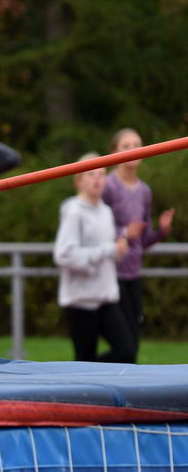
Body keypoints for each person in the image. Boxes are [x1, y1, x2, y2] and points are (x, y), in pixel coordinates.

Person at [53, 153, 135, 363]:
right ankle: (82, 386)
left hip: (106, 296)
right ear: (79, 181)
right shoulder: (73, 210)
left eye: (101, 174)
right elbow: (64, 255)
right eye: (91, 174)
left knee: (126, 351)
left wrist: (118, 252)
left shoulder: (106, 211)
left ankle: (97, 382)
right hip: (81, 301)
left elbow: (105, 254)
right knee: (85, 360)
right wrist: (108, 250)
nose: (97, 178)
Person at [102, 128, 175, 362]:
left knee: (132, 347)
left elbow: (141, 241)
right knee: (126, 348)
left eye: (138, 145)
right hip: (109, 273)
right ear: (113, 152)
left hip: (133, 273)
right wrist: (124, 232)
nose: (133, 150)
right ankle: (83, 369)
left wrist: (161, 232)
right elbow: (95, 229)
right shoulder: (108, 186)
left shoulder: (144, 191)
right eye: (126, 146)